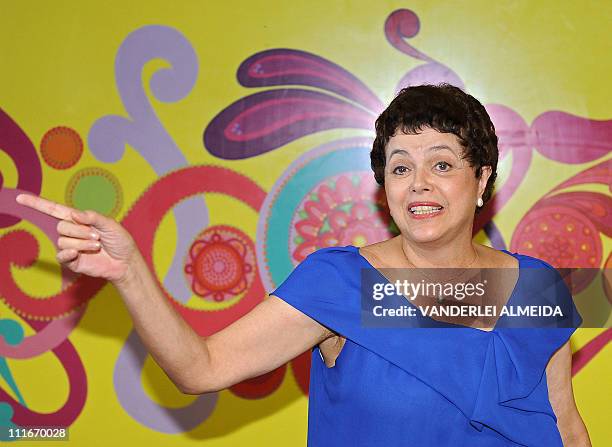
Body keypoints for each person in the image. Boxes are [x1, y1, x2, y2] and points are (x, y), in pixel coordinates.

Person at [15, 83, 591, 446]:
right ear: (383, 185)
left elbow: (565, 427)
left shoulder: (537, 287)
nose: (419, 184)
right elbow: (201, 368)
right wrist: (129, 271)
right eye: (399, 167)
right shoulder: (342, 284)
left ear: (481, 178)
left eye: (441, 164)